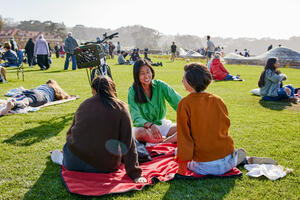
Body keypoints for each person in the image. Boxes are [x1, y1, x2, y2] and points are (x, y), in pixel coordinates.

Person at [176, 62, 277, 176]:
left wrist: (181, 167)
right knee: (224, 153)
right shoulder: (218, 100)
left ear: (191, 81)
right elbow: (225, 125)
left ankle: (238, 158)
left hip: (203, 167)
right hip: (227, 160)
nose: (182, 81)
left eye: (183, 78)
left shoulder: (184, 103)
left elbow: (184, 137)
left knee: (176, 151)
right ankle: (239, 158)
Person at [53, 76, 146, 183]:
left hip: (74, 163)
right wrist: (135, 174)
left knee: (69, 147)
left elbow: (70, 132)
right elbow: (128, 142)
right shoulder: (120, 108)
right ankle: (63, 158)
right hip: (105, 166)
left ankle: (62, 158)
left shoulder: (84, 104)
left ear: (93, 90)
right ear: (112, 89)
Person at [128, 58, 181, 144]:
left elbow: (178, 102)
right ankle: (166, 140)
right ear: (137, 76)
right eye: (142, 74)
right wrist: (150, 125)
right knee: (140, 133)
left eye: (148, 72)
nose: (146, 76)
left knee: (187, 128)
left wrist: (190, 116)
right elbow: (136, 117)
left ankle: (162, 141)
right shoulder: (133, 91)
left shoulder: (160, 85)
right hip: (144, 128)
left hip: (162, 125)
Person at [0, 80, 71, 116]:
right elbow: (64, 96)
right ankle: (13, 104)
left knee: (20, 98)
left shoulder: (43, 86)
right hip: (41, 96)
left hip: (32, 91)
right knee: (26, 102)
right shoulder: (55, 89)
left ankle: (5, 101)